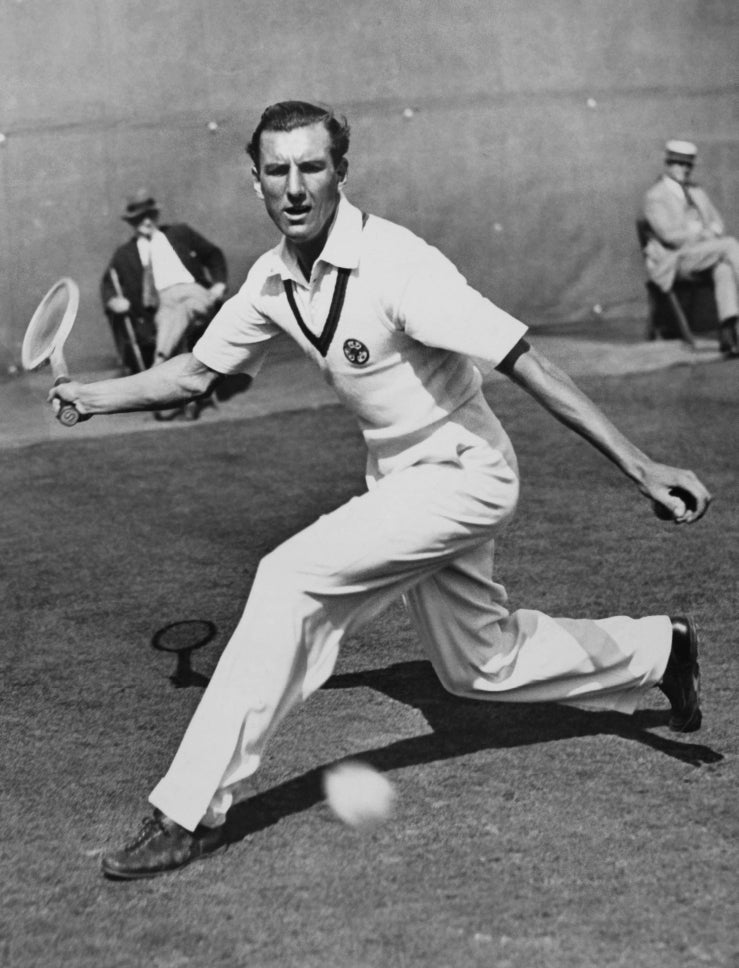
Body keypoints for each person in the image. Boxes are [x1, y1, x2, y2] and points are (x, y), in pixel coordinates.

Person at [51, 101, 712, 881]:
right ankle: (658, 648)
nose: (294, 188)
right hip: (399, 478)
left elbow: (524, 361)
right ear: (254, 179)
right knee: (479, 668)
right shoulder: (269, 282)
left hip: (465, 475)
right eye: (277, 170)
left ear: (339, 172)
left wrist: (642, 467)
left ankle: (184, 812)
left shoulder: (400, 265)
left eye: (311, 167)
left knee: (287, 578)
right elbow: (195, 372)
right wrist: (95, 396)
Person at [101, 188, 229, 417]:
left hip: (195, 293)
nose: (147, 221)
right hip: (162, 305)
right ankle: (187, 396)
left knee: (184, 310)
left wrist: (219, 283)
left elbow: (213, 254)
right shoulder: (124, 254)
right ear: (132, 222)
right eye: (140, 217)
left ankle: (158, 368)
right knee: (179, 315)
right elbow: (108, 283)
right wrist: (113, 300)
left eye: (150, 214)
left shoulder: (180, 233)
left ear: (156, 215)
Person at [642, 139, 739, 357]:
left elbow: (718, 224)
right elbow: (670, 236)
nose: (683, 170)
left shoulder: (697, 192)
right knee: (731, 245)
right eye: (678, 164)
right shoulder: (655, 196)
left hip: (704, 255)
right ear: (668, 164)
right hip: (675, 260)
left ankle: (727, 333)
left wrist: (704, 231)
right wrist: (701, 233)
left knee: (724, 268)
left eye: (688, 165)